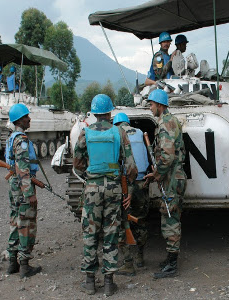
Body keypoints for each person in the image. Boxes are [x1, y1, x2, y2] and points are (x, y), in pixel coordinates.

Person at [73, 94, 137, 296]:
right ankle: (109, 283)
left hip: (92, 188)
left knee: (90, 233)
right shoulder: (120, 132)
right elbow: (131, 167)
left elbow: (77, 163)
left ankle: (90, 282)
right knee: (111, 233)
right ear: (110, 112)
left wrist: (92, 175)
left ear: (94, 113)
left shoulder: (85, 133)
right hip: (113, 188)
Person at [144, 89, 186, 279]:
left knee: (170, 218)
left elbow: (167, 156)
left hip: (171, 177)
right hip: (172, 176)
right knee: (170, 215)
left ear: (159, 105)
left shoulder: (165, 124)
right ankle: (170, 258)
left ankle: (172, 264)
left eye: (151, 104)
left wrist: (157, 174)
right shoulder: (170, 121)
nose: (150, 108)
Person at [5, 103, 42, 278]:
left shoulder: (11, 137)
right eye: (27, 116)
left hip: (14, 184)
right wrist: (29, 193)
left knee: (15, 220)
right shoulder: (21, 140)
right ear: (20, 120)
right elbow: (23, 168)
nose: (29, 119)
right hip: (22, 185)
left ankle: (12, 262)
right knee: (27, 222)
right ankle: (25, 265)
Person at [113, 112, 150, 276]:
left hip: (125, 184)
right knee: (140, 220)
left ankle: (128, 262)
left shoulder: (115, 133)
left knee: (122, 223)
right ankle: (140, 257)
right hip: (142, 182)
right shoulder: (140, 133)